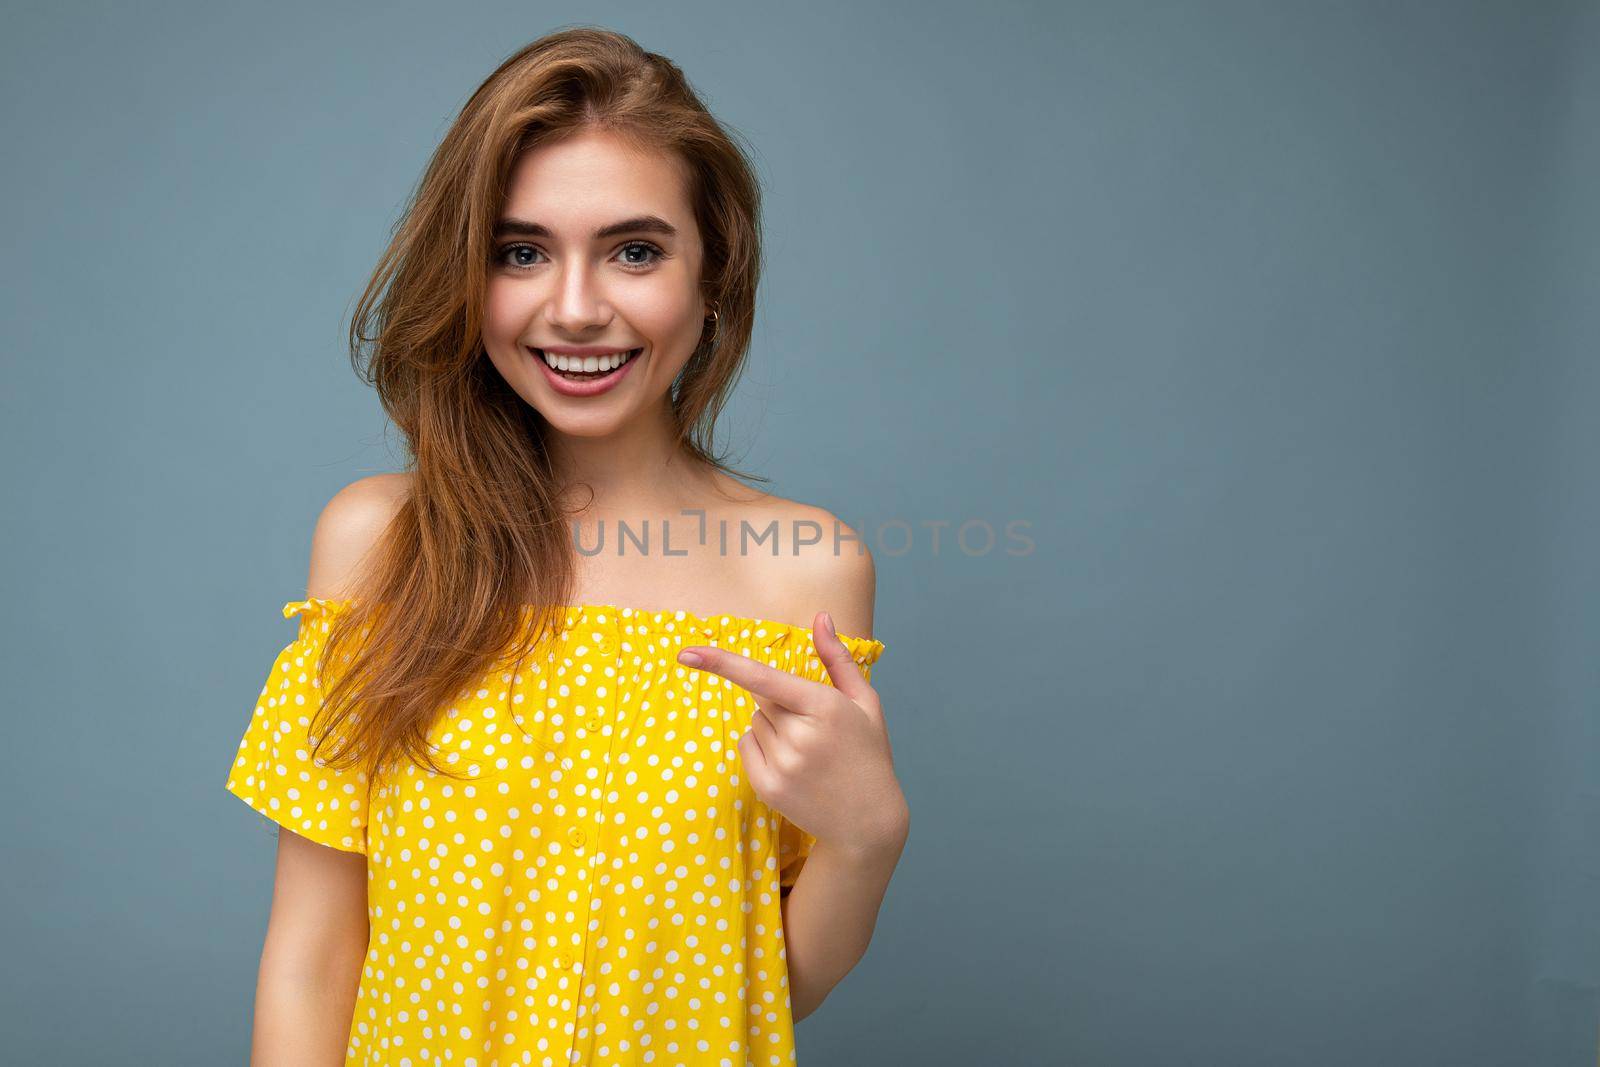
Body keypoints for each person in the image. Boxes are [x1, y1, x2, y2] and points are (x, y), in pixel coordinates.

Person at [223, 26, 910, 1066]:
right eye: (520, 252)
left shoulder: (804, 566)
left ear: (711, 272)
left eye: (635, 250)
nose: (577, 308)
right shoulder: (378, 543)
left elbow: (757, 987)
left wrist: (866, 838)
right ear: (467, 273)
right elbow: (313, 953)